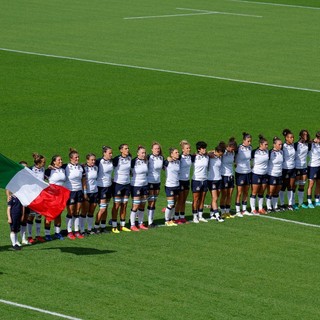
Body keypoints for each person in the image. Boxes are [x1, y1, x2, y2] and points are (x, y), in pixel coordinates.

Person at [63, 148, 85, 240]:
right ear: (71, 158)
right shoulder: (66, 167)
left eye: (78, 157)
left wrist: (84, 191)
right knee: (70, 211)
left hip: (79, 191)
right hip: (70, 191)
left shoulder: (80, 167)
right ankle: (69, 231)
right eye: (76, 157)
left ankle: (76, 231)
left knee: (77, 211)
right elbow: (55, 168)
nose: (77, 159)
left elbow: (83, 179)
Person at [44, 155, 66, 240]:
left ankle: (57, 233)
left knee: (58, 214)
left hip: (60, 196)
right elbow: (40, 178)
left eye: (61, 159)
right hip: (51, 196)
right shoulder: (49, 171)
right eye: (59, 160)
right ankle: (47, 234)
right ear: (54, 162)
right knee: (49, 214)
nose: (61, 161)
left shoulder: (63, 169)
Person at [111, 144, 132, 233]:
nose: (127, 150)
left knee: (125, 204)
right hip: (118, 185)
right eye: (125, 148)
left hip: (127, 184)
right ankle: (114, 225)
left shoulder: (129, 158)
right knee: (117, 205)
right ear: (121, 150)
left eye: (128, 148)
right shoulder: (116, 159)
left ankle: (122, 225)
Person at [27, 153, 46, 244]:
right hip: (32, 196)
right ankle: (29, 236)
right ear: (38, 162)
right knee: (31, 216)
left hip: (41, 196)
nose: (44, 163)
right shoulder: (30, 170)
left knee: (39, 216)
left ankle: (38, 235)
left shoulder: (43, 169)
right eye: (43, 162)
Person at [94, 146, 114, 233]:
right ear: (104, 153)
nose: (111, 154)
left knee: (105, 208)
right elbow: (88, 165)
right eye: (109, 153)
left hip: (109, 187)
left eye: (111, 153)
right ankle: (96, 226)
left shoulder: (112, 161)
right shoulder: (99, 161)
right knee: (102, 209)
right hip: (101, 187)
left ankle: (103, 226)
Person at [129, 146, 149, 231]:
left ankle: (140, 223)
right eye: (142, 153)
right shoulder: (133, 161)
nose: (144, 154)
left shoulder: (146, 161)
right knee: (136, 205)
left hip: (144, 185)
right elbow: (129, 171)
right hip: (136, 185)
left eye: (144, 153)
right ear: (138, 153)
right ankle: (132, 224)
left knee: (142, 205)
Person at [250, 135, 269, 214]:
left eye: (267, 144)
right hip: (256, 174)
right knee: (254, 192)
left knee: (261, 192)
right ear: (261, 144)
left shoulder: (267, 151)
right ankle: (253, 209)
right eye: (266, 144)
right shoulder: (255, 152)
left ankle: (260, 208)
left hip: (264, 174)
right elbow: (248, 160)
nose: (267, 146)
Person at [234, 132, 252, 217]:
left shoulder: (250, 148)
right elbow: (232, 156)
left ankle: (244, 210)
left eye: (250, 141)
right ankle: (237, 210)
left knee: (246, 191)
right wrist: (235, 162)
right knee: (239, 192)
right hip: (240, 173)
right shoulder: (239, 148)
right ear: (244, 140)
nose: (249, 143)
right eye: (248, 141)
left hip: (248, 172)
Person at [80, 153, 99, 235]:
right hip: (87, 192)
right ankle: (82, 230)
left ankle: (90, 228)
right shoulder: (84, 168)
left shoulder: (96, 168)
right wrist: (84, 193)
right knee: (84, 211)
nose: (93, 161)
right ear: (87, 160)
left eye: (94, 160)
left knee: (91, 211)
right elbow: (83, 181)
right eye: (92, 160)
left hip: (95, 192)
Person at [207, 142, 226, 222]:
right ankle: (218, 216)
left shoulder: (219, 157)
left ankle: (212, 214)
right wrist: (210, 153)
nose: (221, 156)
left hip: (219, 179)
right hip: (211, 180)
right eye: (220, 154)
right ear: (217, 151)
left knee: (216, 197)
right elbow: (205, 153)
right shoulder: (210, 156)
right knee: (214, 198)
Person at [191, 141, 209, 223]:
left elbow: (213, 152)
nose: (205, 149)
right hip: (196, 180)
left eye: (205, 148)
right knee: (196, 199)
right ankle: (195, 216)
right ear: (199, 149)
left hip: (205, 180)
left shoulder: (207, 157)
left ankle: (200, 215)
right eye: (203, 148)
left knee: (202, 199)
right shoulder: (194, 157)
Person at [147, 142, 164, 228]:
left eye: (158, 148)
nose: (157, 150)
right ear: (152, 149)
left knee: (154, 201)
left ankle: (151, 221)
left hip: (157, 182)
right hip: (149, 182)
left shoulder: (161, 158)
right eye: (155, 148)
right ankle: (146, 221)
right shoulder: (149, 157)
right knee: (150, 201)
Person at [174, 140, 192, 224]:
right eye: (187, 148)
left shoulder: (190, 157)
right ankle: (176, 217)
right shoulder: (180, 157)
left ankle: (182, 217)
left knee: (184, 200)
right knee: (180, 200)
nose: (189, 149)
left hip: (187, 181)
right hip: (180, 181)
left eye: (189, 148)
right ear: (183, 149)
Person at [279, 129, 296, 210]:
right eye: (290, 137)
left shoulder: (294, 145)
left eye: (293, 137)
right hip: (285, 169)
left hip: (292, 168)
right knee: (283, 187)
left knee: (291, 186)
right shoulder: (282, 146)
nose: (292, 139)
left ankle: (290, 204)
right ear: (286, 138)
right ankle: (282, 204)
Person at [302, 132, 320, 208]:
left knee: (319, 184)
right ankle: (309, 201)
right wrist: (313, 140)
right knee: (311, 184)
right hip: (312, 167)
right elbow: (305, 142)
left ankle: (316, 200)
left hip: (319, 166)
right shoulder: (311, 144)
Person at [220, 137, 237, 219]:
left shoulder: (232, 153)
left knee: (229, 194)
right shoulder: (224, 152)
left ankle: (227, 211)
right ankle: (222, 212)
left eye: (233, 149)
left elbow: (233, 162)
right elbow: (214, 152)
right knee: (224, 195)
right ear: (229, 146)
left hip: (231, 175)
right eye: (232, 149)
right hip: (224, 176)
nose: (232, 150)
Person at [163, 148, 180, 226]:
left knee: (174, 204)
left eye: (178, 152)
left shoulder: (178, 161)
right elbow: (162, 164)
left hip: (177, 185)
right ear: (171, 154)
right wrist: (167, 159)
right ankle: (166, 220)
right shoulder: (167, 162)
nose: (178, 153)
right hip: (169, 186)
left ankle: (171, 219)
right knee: (170, 204)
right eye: (176, 152)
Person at [266, 137, 283, 213]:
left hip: (279, 174)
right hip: (272, 174)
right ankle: (269, 207)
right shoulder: (270, 153)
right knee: (271, 191)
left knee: (277, 191)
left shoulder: (281, 152)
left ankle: (275, 206)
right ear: (274, 144)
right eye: (279, 144)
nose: (280, 146)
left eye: (281, 144)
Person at [294, 130, 311, 207]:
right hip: (297, 167)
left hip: (304, 167)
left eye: (306, 134)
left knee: (302, 185)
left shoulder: (308, 144)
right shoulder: (296, 145)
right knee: (295, 185)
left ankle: (301, 202)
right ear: (300, 135)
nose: (305, 136)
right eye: (304, 134)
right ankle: (293, 203)